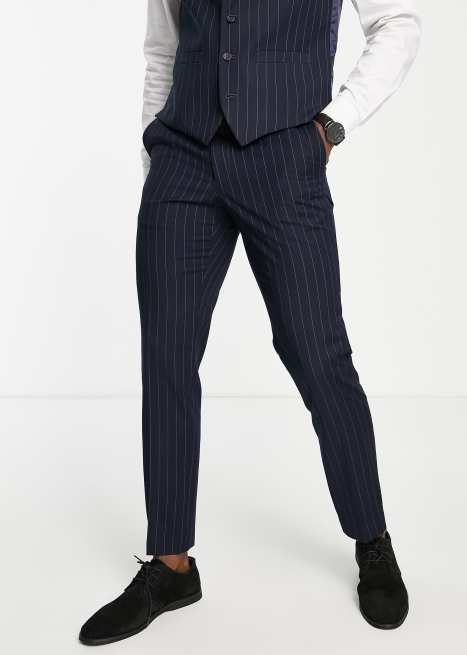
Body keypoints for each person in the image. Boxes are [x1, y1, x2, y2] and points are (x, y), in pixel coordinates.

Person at [79, 0, 421, 645]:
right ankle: (171, 565)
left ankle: (372, 540)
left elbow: (397, 23)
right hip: (183, 158)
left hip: (286, 157)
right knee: (168, 357)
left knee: (318, 354)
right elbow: (163, 47)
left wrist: (334, 123)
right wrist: (157, 157)